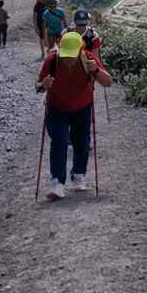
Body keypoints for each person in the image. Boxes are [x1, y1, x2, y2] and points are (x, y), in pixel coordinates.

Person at [35, 21, 111, 199]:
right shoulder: (52, 60)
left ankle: (78, 176)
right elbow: (38, 85)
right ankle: (57, 183)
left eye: (72, 55)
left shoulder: (89, 60)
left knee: (82, 143)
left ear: (80, 50)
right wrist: (43, 86)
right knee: (60, 141)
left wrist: (97, 72)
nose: (68, 59)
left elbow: (108, 82)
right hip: (57, 108)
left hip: (81, 108)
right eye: (66, 55)